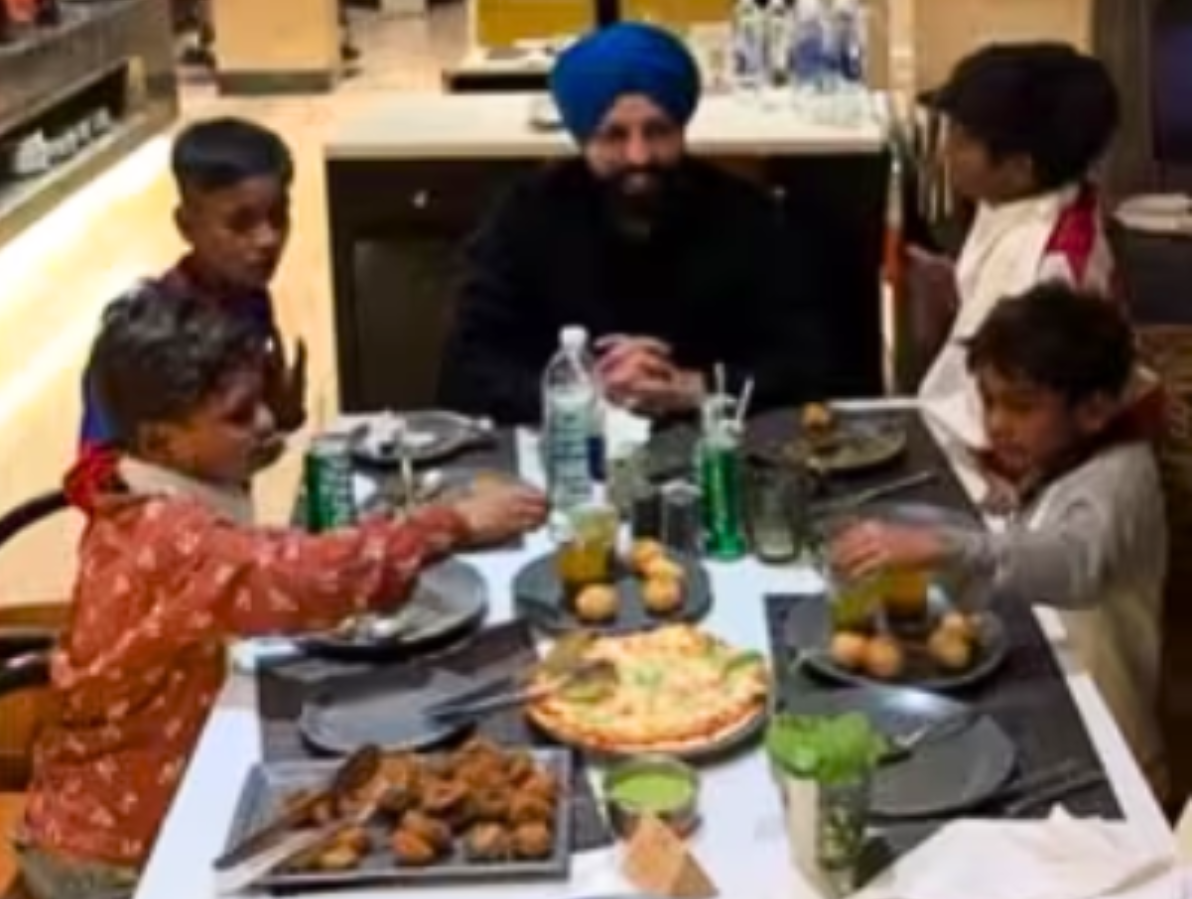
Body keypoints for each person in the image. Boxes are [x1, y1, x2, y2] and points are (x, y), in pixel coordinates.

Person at [19, 285, 547, 899]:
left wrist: (240, 449)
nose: (267, 421)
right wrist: (451, 524)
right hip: (115, 859)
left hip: (107, 812)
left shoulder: (133, 488)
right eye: (239, 416)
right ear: (163, 443)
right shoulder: (168, 536)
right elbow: (298, 575)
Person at [832, 283, 1167, 794]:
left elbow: (1075, 562)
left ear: (1094, 410)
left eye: (1020, 406)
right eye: (988, 402)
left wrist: (948, 546)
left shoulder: (1119, 476)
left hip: (1107, 753)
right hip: (1056, 702)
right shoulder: (1060, 455)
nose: (996, 424)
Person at [438, 22, 831, 425]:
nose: (639, 156)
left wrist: (701, 387)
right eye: (614, 136)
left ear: (682, 128)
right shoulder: (526, 217)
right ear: (582, 138)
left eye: (658, 131)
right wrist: (584, 391)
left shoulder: (744, 215)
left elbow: (807, 358)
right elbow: (468, 367)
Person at [916, 42, 1121, 454]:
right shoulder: (1030, 199)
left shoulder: (1041, 266)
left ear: (1019, 168)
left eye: (961, 142)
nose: (945, 154)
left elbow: (997, 420)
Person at [78, 117, 306, 466]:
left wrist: (278, 418)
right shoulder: (143, 340)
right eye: (240, 223)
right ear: (187, 226)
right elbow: (96, 474)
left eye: (278, 217)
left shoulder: (251, 301)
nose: (268, 239)